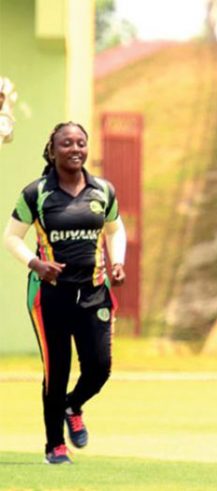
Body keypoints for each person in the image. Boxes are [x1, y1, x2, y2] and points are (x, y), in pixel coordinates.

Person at [3, 122, 126, 464]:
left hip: (95, 292)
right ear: (53, 150)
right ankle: (54, 445)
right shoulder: (36, 193)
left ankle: (73, 405)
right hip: (50, 296)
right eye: (67, 143)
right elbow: (11, 237)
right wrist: (35, 264)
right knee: (56, 370)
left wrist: (118, 262)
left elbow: (116, 230)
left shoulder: (103, 190)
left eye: (81, 143)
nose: (75, 149)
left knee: (100, 367)